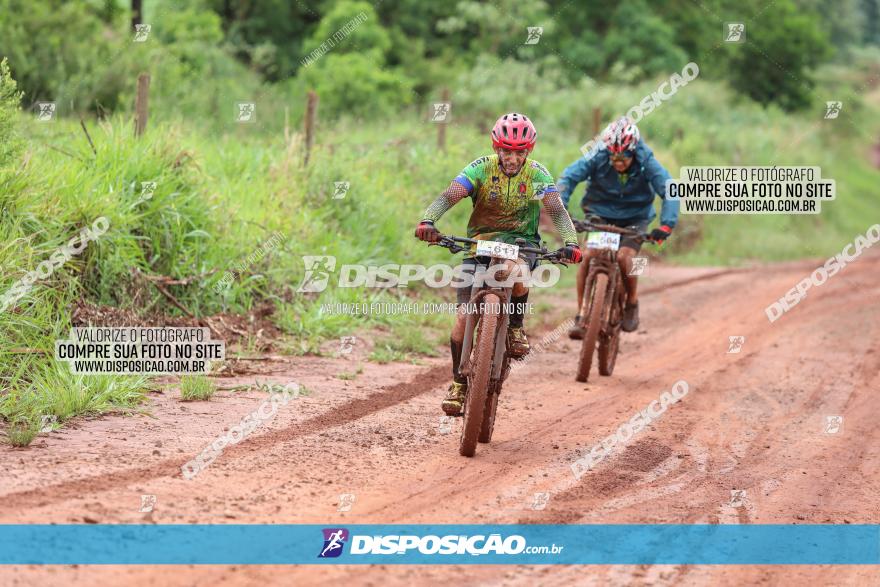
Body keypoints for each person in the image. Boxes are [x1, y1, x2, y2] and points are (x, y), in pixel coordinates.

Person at [415, 113, 582, 416]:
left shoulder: (538, 175)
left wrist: (571, 241)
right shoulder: (479, 169)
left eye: (519, 152)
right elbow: (449, 196)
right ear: (497, 148)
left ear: (528, 151)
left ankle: (516, 327)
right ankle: (458, 383)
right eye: (506, 150)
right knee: (463, 321)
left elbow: (556, 211)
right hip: (479, 244)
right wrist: (429, 219)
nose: (512, 158)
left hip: (522, 244)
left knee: (516, 271)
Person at [557, 117, 679, 338]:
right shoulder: (599, 154)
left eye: (623, 158)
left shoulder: (647, 160)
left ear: (633, 152)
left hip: (636, 216)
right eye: (613, 156)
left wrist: (666, 225)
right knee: (589, 254)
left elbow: (669, 188)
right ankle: (582, 314)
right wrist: (560, 206)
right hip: (599, 212)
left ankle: (632, 301)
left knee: (626, 258)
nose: (617, 162)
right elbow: (569, 176)